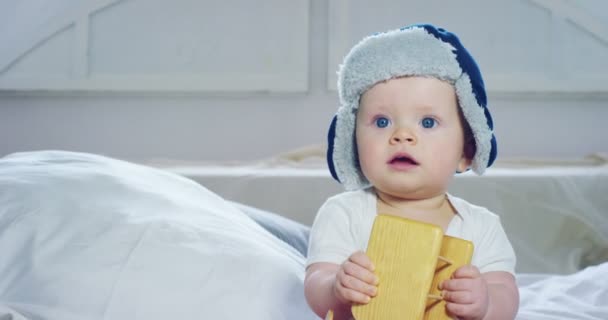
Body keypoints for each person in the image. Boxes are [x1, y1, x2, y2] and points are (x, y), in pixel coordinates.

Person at [304, 24, 519, 320]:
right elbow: (316, 282)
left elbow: (505, 291)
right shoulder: (344, 213)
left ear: (467, 151)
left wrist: (487, 302)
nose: (402, 135)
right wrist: (335, 287)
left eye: (428, 123)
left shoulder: (481, 227)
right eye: (381, 122)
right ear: (351, 141)